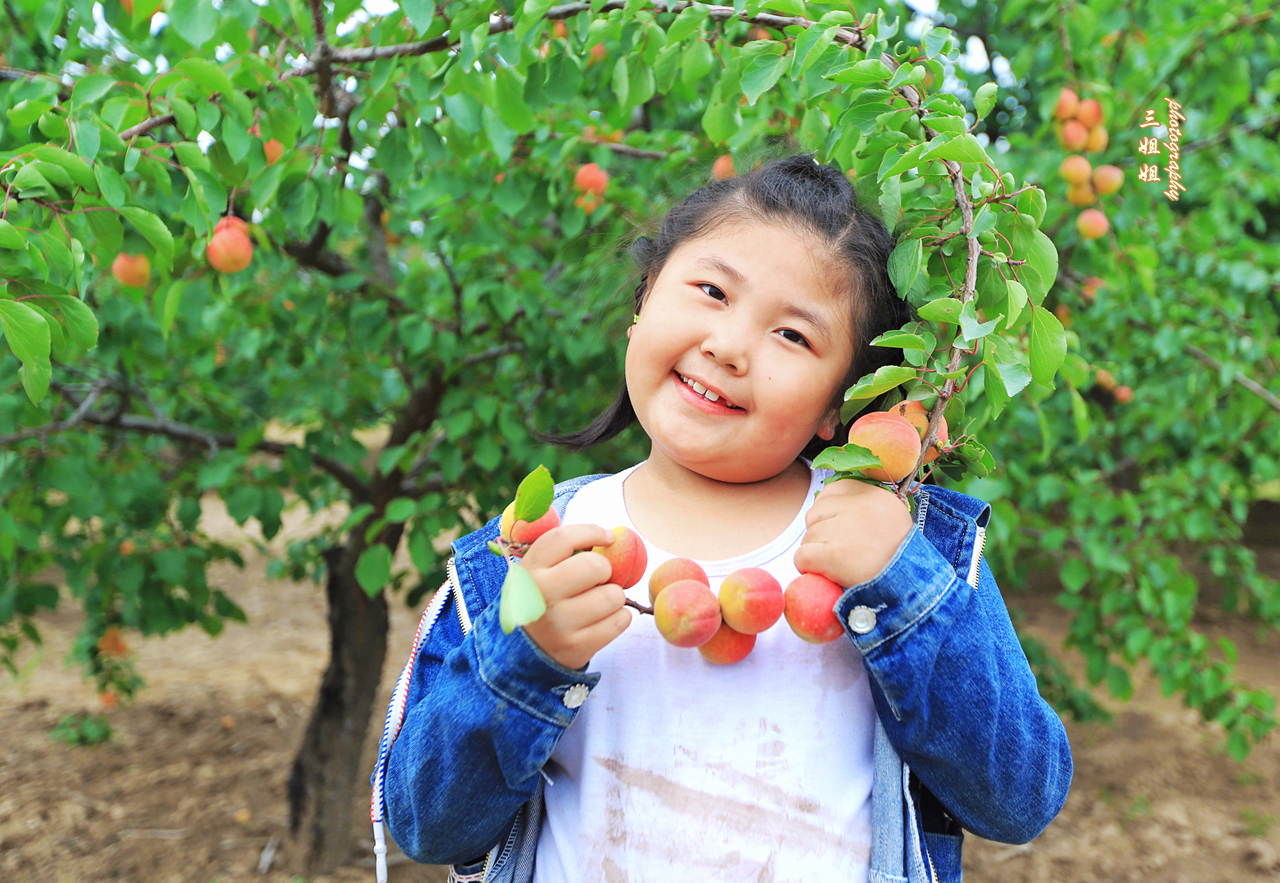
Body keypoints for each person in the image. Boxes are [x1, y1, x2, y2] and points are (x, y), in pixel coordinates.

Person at [370, 153, 1073, 883]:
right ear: (645, 297)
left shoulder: (891, 545)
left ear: (840, 401)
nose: (730, 346)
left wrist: (904, 584)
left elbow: (1018, 800)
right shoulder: (537, 549)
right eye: (711, 290)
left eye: (793, 336)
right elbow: (426, 822)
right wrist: (528, 653)